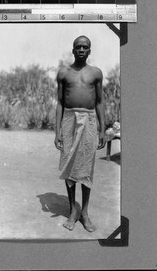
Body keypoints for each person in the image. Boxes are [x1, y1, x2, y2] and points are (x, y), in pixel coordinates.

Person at [54, 35, 106, 232]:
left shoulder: (96, 73)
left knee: (86, 167)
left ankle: (84, 212)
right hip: (69, 120)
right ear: (73, 50)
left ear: (89, 51)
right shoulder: (64, 73)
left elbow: (100, 102)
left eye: (85, 47)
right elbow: (59, 103)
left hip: (90, 121)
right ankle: (72, 210)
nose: (82, 50)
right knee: (69, 166)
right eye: (78, 47)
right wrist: (57, 131)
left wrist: (102, 129)